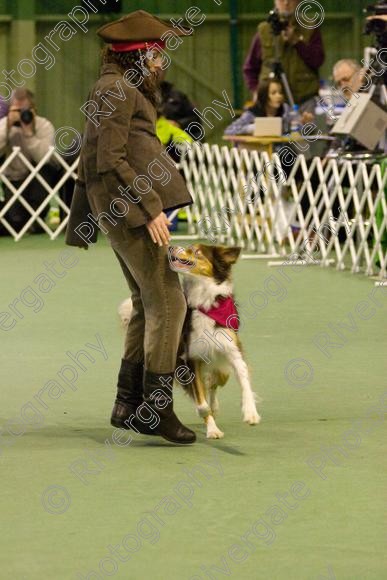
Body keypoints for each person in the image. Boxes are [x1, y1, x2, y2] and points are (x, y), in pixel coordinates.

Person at [65, 10, 196, 445]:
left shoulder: (115, 86)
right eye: (158, 56)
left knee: (146, 302)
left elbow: (97, 156)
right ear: (138, 56)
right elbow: (110, 160)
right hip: (130, 210)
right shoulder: (119, 90)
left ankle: (128, 402)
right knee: (170, 304)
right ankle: (156, 411)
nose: (162, 65)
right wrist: (152, 207)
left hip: (121, 208)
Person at [243, 0, 325, 105]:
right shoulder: (264, 31)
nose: (286, 3)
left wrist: (296, 42)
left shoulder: (310, 28)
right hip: (271, 104)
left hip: (304, 100)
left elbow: (317, 60)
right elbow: (250, 68)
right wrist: (256, 91)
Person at [0, 88, 57, 235]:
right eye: (16, 110)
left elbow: (44, 158)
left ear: (34, 109)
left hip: (38, 178)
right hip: (13, 180)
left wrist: (29, 134)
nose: (21, 115)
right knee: (15, 219)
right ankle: (21, 223)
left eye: (25, 110)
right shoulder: (3, 125)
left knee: (46, 169)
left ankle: (37, 218)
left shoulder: (44, 125)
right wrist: (7, 127)